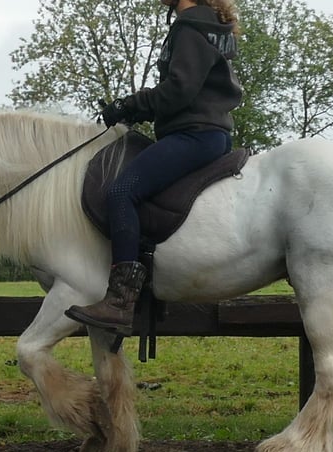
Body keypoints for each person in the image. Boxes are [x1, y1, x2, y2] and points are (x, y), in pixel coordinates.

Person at [65, 0, 243, 337]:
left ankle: (120, 301)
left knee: (121, 192)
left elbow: (179, 90)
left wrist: (129, 105)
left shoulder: (189, 25)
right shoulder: (210, 26)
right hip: (208, 132)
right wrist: (135, 110)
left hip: (193, 134)